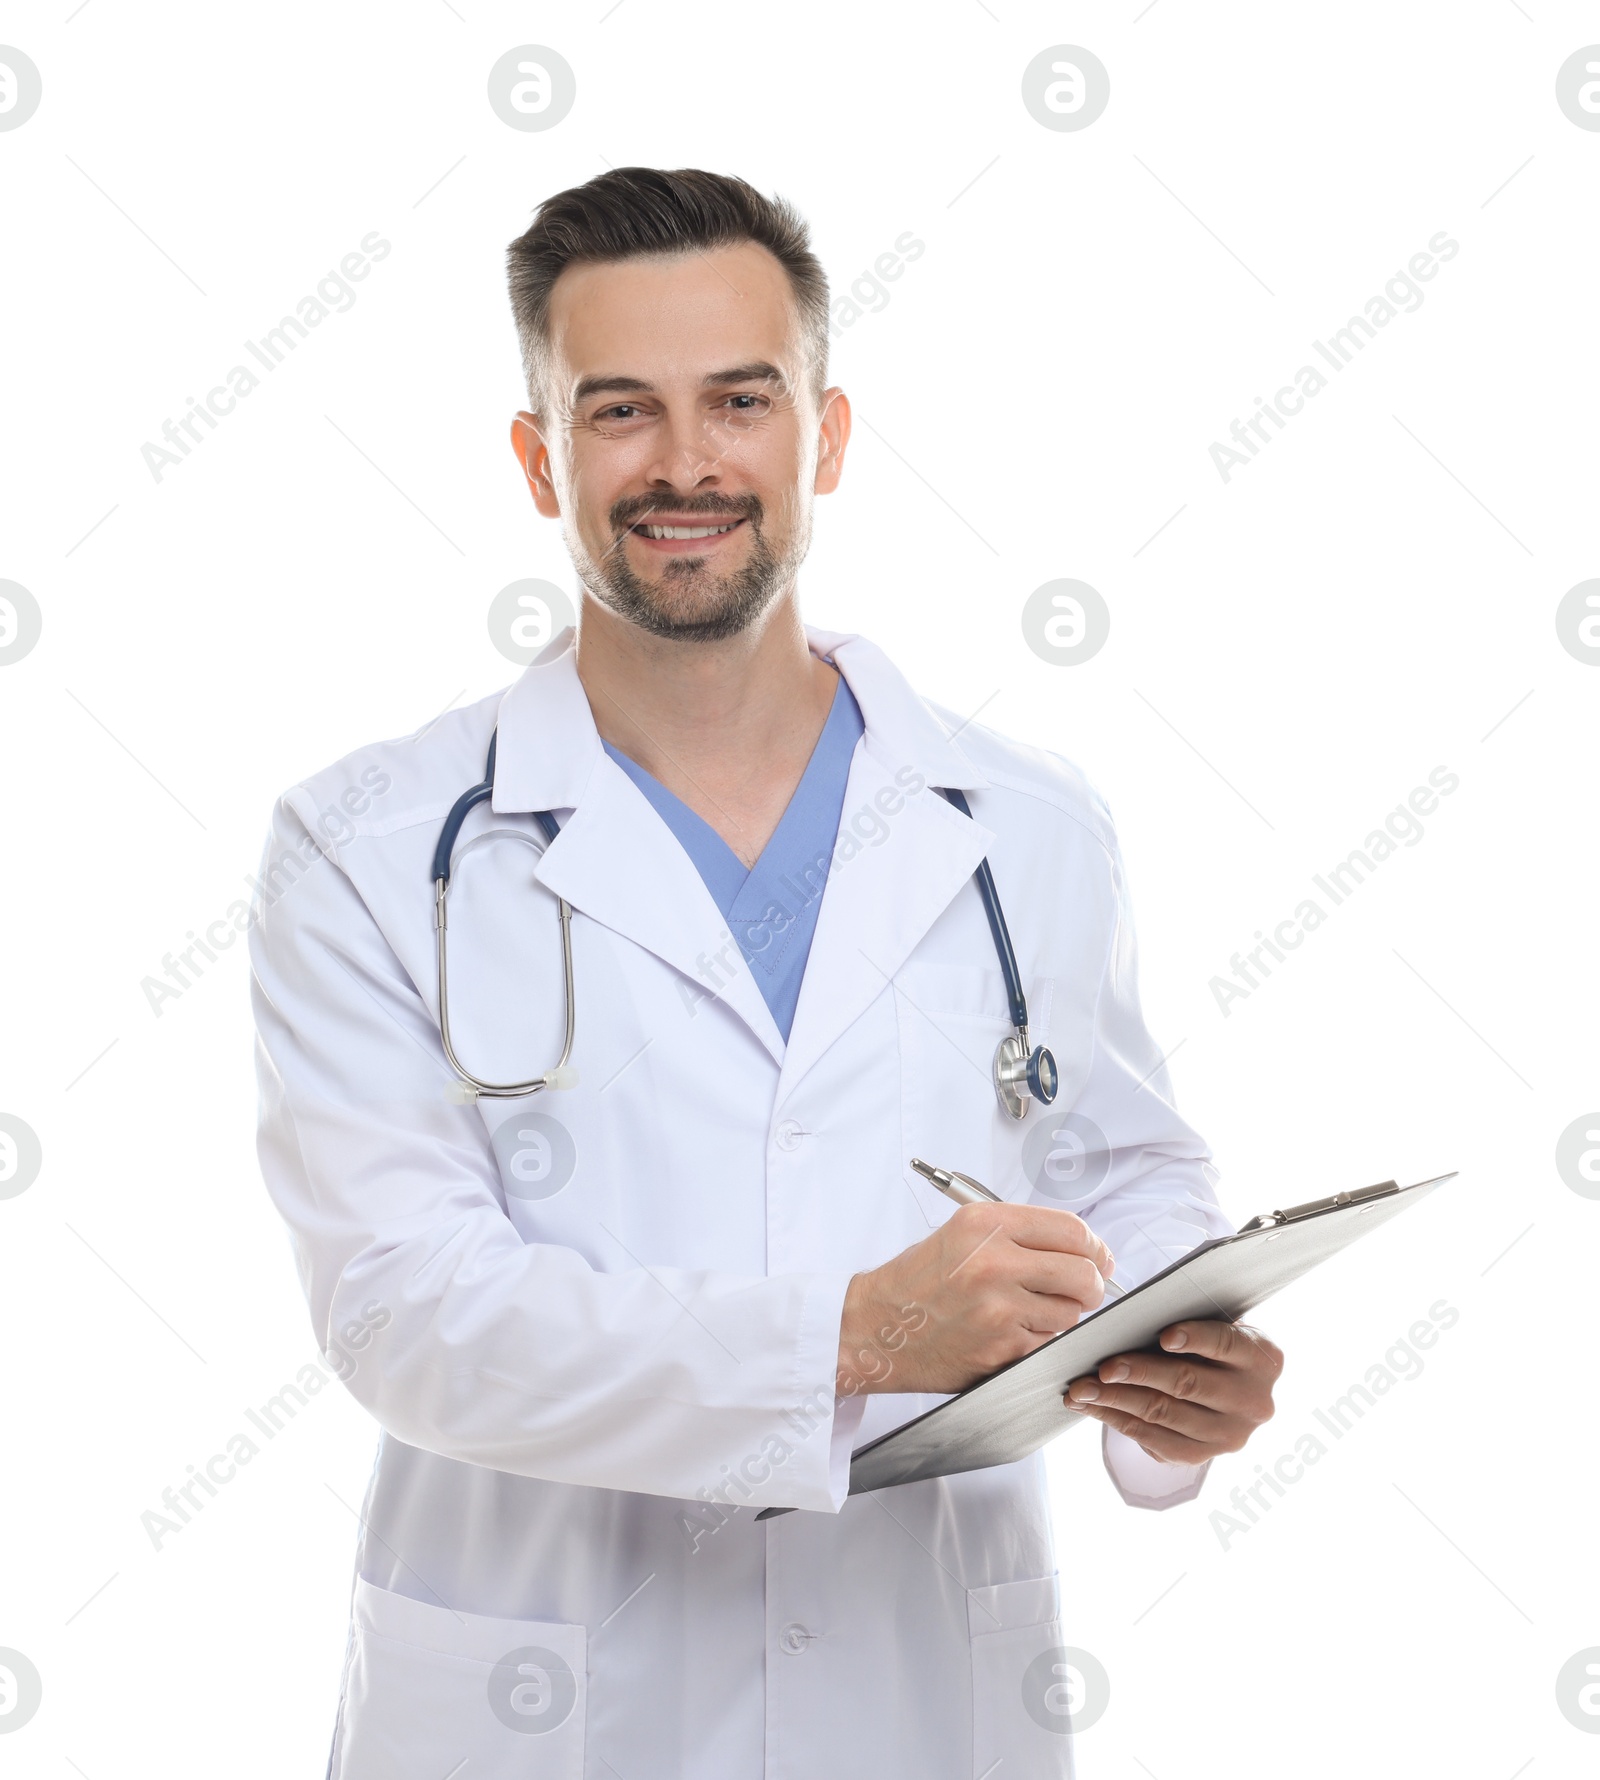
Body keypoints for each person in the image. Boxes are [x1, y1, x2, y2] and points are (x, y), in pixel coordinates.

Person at [250, 166, 1282, 1779]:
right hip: (547, 1716)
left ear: (830, 435)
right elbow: (410, 1317)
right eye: (617, 413)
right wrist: (852, 1337)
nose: (686, 466)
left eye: (741, 400)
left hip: (923, 1694)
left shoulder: (1026, 822)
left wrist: (1176, 1348)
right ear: (538, 459)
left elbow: (1120, 1165)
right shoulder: (367, 847)